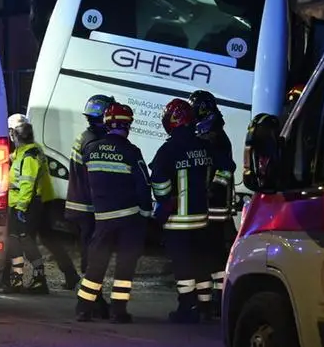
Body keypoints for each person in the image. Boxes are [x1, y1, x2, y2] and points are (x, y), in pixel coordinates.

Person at [75, 103, 151, 324]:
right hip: (129, 219)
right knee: (125, 267)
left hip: (102, 219)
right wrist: (146, 214)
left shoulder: (91, 149)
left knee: (95, 265)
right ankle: (119, 312)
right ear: (127, 125)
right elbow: (143, 185)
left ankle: (83, 309)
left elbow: (84, 184)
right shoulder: (131, 151)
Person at [150, 98, 217, 324]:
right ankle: (206, 307)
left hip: (178, 221)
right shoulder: (204, 146)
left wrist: (164, 199)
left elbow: (158, 180)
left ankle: (187, 308)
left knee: (183, 267)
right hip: (202, 219)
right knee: (201, 265)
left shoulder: (169, 149)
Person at [64, 94, 116, 316]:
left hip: (80, 207)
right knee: (94, 255)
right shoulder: (95, 142)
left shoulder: (85, 137)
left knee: (91, 253)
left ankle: (94, 301)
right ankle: (90, 303)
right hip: (90, 208)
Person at [188, 90, 236, 320]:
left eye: (194, 107)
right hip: (210, 205)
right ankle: (212, 300)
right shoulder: (207, 130)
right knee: (210, 253)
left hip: (215, 207)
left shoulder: (215, 135)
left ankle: (217, 300)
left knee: (214, 254)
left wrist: (213, 189)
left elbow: (226, 168)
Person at [4, 113, 53, 294]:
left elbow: (27, 184)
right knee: (14, 240)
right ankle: (17, 278)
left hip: (26, 205)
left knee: (26, 241)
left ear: (13, 133)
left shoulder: (29, 156)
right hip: (20, 204)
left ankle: (39, 279)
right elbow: (15, 158)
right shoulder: (27, 151)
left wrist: (21, 208)